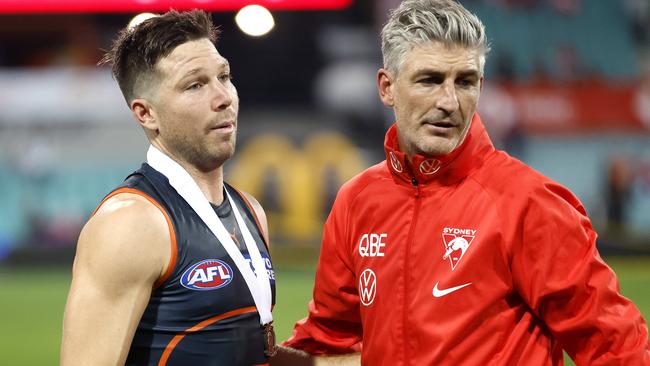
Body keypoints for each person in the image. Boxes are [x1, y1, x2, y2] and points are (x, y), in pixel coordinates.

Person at [282, 0, 650, 365]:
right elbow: (330, 341)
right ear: (386, 87)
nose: (449, 101)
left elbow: (618, 348)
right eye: (429, 80)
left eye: (465, 82)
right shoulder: (357, 201)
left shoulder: (530, 202)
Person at [61, 10, 277, 365]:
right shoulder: (131, 224)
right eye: (195, 84)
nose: (223, 97)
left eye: (224, 76)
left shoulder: (249, 211)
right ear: (146, 114)